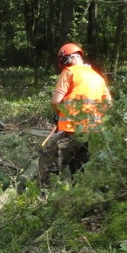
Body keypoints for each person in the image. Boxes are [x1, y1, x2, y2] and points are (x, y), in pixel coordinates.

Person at [38, 43, 112, 187]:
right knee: (79, 168)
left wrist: (60, 112)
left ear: (67, 58)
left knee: (48, 162)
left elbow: (56, 101)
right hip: (91, 132)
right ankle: (77, 198)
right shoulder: (98, 77)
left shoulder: (69, 72)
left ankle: (43, 196)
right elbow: (108, 103)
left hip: (71, 130)